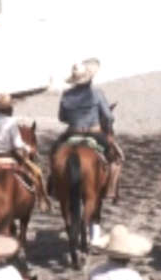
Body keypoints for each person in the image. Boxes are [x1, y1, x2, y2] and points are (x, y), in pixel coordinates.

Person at [50, 59, 123, 199]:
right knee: (116, 158)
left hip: (72, 132)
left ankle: (54, 184)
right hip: (94, 133)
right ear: (89, 79)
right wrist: (105, 123)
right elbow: (108, 117)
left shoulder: (66, 95)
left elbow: (62, 117)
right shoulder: (97, 93)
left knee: (55, 153)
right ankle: (110, 189)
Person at [0, 93, 51, 211]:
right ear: (8, 109)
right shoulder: (11, 122)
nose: (12, 109)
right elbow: (17, 144)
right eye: (11, 107)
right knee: (37, 173)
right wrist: (29, 149)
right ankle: (42, 200)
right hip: (8, 158)